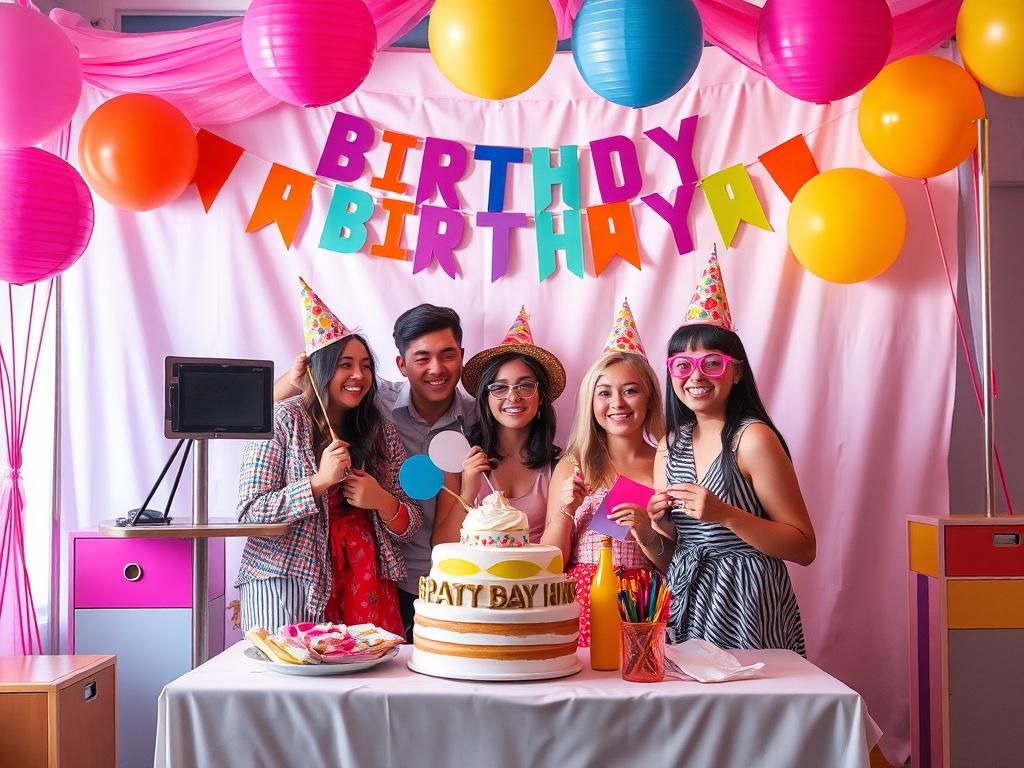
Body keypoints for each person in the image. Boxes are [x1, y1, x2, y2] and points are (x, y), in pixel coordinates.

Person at [274, 303, 476, 640]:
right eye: (422, 357)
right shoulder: (372, 398)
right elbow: (270, 416)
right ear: (401, 364)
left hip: (455, 580)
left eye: (448, 354)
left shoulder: (480, 416)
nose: (436, 368)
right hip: (389, 575)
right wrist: (295, 379)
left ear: (462, 355)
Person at [648, 250, 815, 655]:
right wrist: (652, 526)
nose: (696, 376)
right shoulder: (669, 448)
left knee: (750, 712)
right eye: (682, 365)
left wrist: (725, 513)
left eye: (712, 363)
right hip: (688, 595)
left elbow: (803, 547)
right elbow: (673, 551)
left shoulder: (752, 439)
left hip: (748, 600)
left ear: (737, 372)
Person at [236, 279, 422, 635]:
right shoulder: (283, 420)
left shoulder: (379, 430)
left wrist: (381, 501)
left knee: (370, 683)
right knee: (295, 681)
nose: (358, 375)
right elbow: (249, 513)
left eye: (366, 365)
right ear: (321, 369)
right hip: (291, 580)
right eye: (345, 364)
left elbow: (410, 524)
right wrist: (318, 483)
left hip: (367, 582)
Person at [541, 300, 670, 646]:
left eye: (630, 390)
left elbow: (673, 561)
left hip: (643, 601)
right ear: (590, 402)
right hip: (581, 597)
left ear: (649, 399)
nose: (617, 403)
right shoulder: (573, 464)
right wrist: (566, 511)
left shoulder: (665, 463)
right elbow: (550, 561)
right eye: (604, 393)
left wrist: (644, 529)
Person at [433, 307, 564, 545]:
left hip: (533, 580)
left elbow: (557, 549)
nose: (513, 398)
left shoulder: (558, 465)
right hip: (472, 581)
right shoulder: (461, 456)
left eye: (525, 386)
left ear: (541, 396)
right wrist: (468, 492)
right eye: (500, 388)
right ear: (485, 397)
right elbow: (441, 545)